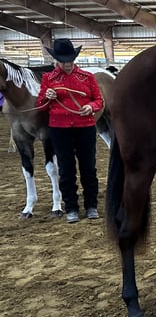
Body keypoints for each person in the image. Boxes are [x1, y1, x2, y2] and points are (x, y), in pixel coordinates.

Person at [35, 39, 103, 223]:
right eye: (64, 61)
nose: (67, 64)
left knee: (88, 167)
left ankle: (91, 206)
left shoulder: (87, 77)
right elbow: (40, 106)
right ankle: (71, 207)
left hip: (85, 127)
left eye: (70, 60)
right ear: (56, 60)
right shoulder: (48, 79)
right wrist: (47, 97)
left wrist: (91, 106)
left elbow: (99, 100)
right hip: (60, 128)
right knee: (66, 169)